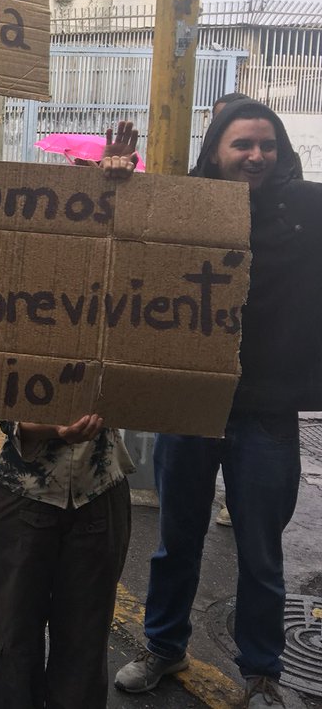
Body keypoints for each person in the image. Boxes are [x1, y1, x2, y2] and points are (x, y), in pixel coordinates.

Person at [115, 97, 318, 708]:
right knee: (176, 541)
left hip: (268, 414)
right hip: (191, 404)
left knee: (260, 553)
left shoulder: (308, 211)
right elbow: (117, 240)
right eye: (242, 145)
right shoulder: (181, 207)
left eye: (268, 145)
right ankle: (163, 645)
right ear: (215, 153)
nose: (257, 156)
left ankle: (261, 674)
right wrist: (118, 181)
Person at [0, 126, 140, 709]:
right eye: (70, 182)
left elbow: (166, 280)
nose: (81, 192)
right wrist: (29, 425)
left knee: (83, 644)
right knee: (14, 638)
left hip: (100, 490)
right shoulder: (18, 263)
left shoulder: (121, 265)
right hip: (26, 490)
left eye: (91, 183)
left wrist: (125, 193)